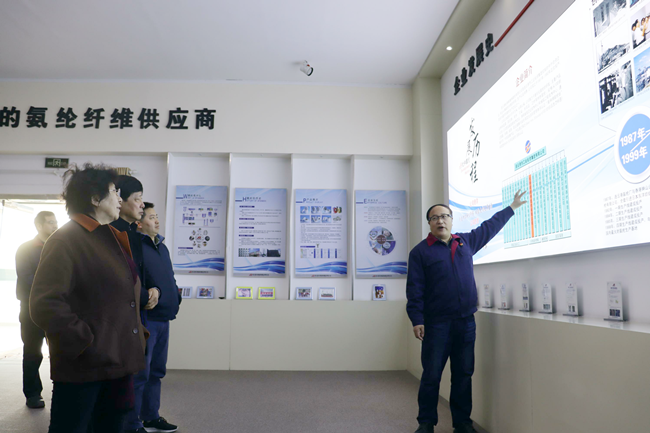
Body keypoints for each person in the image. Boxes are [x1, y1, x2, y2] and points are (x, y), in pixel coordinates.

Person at [29, 163, 148, 433]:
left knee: (112, 426)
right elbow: (45, 303)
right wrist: (87, 342)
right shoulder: (66, 239)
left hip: (116, 360)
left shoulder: (109, 236)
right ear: (95, 199)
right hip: (86, 365)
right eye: (114, 192)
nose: (119, 199)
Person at [407, 190, 527, 433]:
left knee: (463, 374)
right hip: (436, 324)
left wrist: (512, 207)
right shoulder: (420, 252)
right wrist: (417, 319)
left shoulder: (465, 242)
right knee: (432, 375)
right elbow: (414, 289)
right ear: (429, 223)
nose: (440, 221)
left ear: (452, 220)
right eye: (434, 218)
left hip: (465, 322)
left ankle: (462, 423)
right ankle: (426, 423)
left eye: (445, 216)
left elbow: (489, 227)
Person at [124, 202, 181, 433]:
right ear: (139, 223)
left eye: (157, 216)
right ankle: (133, 423)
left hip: (164, 317)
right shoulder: (136, 246)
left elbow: (169, 277)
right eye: (151, 217)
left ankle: (151, 417)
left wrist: (176, 296)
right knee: (141, 374)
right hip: (147, 318)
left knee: (157, 372)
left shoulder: (161, 247)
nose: (156, 221)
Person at [15, 211, 58, 408]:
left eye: (56, 222)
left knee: (60, 352)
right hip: (31, 308)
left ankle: (61, 390)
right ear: (39, 226)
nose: (55, 225)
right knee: (33, 353)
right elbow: (27, 278)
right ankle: (33, 394)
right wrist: (53, 289)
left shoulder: (59, 247)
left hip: (56, 308)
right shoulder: (25, 249)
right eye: (50, 222)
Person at [110, 175, 160, 318]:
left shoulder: (133, 232)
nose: (142, 205)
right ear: (120, 199)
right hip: (119, 312)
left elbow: (140, 269)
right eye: (137, 199)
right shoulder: (110, 232)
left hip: (138, 309)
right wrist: (144, 296)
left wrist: (154, 289)